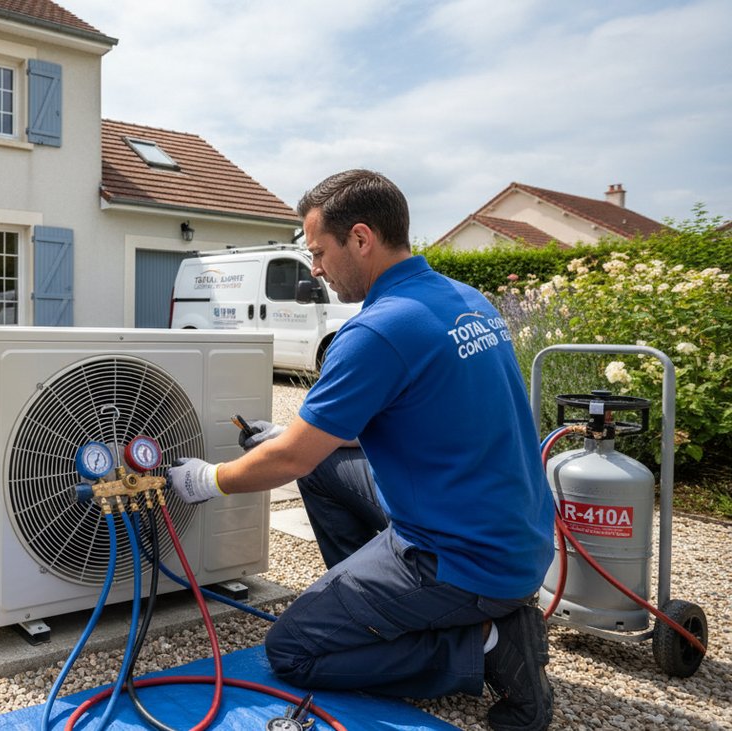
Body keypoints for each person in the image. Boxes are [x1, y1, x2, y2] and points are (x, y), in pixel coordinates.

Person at [166, 169, 556, 731]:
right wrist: (300, 438)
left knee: (294, 650)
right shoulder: (463, 299)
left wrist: (207, 479)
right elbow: (410, 413)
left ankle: (488, 645)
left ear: (362, 239)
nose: (316, 269)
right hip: (518, 534)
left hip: (462, 559)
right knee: (324, 469)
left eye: (319, 251)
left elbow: (289, 460)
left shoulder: (376, 331)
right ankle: (385, 613)